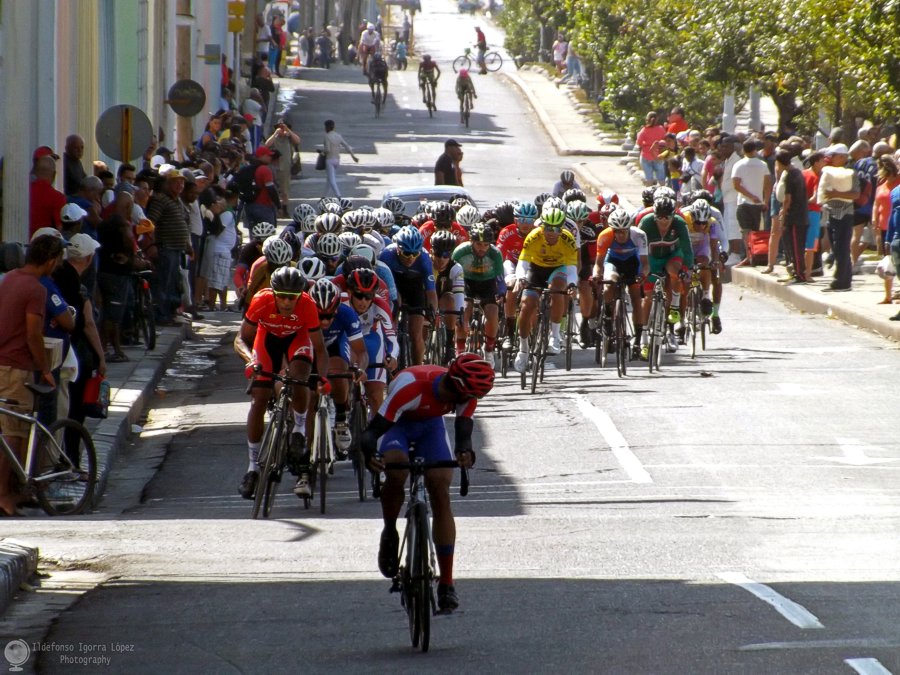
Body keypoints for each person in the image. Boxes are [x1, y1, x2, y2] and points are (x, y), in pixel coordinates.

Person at [361, 352, 495, 612]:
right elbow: (372, 433)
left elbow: (463, 434)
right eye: (465, 396)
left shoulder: (468, 393)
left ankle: (446, 583)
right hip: (396, 426)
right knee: (397, 471)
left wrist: (465, 454)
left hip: (430, 427)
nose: (468, 401)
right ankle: (390, 530)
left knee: (440, 487)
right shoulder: (411, 386)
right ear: (454, 385)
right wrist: (370, 456)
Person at [234, 266, 330, 501]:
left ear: (300, 296)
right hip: (266, 341)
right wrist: (250, 361)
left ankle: (297, 429)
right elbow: (241, 339)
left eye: (292, 298)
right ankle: (252, 468)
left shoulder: (307, 305)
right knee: (258, 399)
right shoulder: (261, 300)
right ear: (273, 293)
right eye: (283, 297)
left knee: (300, 377)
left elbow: (319, 348)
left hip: (297, 340)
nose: (287, 303)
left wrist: (323, 377)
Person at [0, 234, 65, 516]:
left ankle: (14, 490)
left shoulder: (10, 278)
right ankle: (4, 494)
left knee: (9, 429)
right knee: (13, 433)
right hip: (17, 367)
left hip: (3, 363)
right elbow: (33, 334)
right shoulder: (35, 289)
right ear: (51, 261)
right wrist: (45, 369)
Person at [305, 279, 368, 466]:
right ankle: (308, 453)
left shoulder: (347, 314)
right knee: (308, 399)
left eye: (329, 316)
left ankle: (341, 418)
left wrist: (360, 369)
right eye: (320, 316)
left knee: (339, 373)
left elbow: (361, 351)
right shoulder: (302, 313)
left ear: (337, 309)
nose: (324, 321)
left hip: (335, 347)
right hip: (309, 349)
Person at [512, 206, 579, 372]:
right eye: (548, 227)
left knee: (557, 289)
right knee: (527, 306)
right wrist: (520, 277)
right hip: (536, 269)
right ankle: (523, 348)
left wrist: (572, 284)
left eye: (556, 228)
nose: (551, 232)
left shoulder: (568, 239)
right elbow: (523, 262)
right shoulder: (534, 236)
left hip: (558, 269)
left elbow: (571, 268)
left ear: (561, 228)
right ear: (542, 226)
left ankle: (555, 336)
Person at [593, 207, 648, 359]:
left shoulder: (639, 235)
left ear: (629, 228)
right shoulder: (605, 236)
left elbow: (645, 263)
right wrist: (596, 275)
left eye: (624, 230)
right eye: (617, 231)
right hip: (613, 262)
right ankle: (609, 319)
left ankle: (637, 340)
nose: (621, 234)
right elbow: (598, 263)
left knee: (637, 297)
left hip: (632, 264)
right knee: (609, 284)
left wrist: (643, 275)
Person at [379, 225, 438, 365]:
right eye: (406, 253)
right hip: (394, 285)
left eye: (414, 253)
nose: (411, 258)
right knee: (390, 321)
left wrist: (432, 312)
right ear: (398, 248)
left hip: (415, 288)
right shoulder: (386, 255)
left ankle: (417, 367)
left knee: (415, 334)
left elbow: (430, 291)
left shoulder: (424, 258)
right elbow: (382, 286)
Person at [452, 223, 505, 367]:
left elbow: (500, 277)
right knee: (464, 308)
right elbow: (450, 272)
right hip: (466, 281)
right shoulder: (460, 252)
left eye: (486, 245)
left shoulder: (495, 253)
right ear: (471, 242)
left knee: (493, 312)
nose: (482, 248)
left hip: (487, 283)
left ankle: (488, 349)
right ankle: (460, 351)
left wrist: (501, 293)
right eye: (478, 244)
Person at [817, 143, 859, 292]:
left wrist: (836, 194)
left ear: (842, 157)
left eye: (833, 156)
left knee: (841, 248)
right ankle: (842, 279)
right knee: (836, 248)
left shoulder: (851, 173)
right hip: (831, 213)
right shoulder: (829, 172)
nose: (831, 159)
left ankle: (841, 281)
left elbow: (855, 194)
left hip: (844, 214)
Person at [732, 139, 772, 267]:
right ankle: (755, 256)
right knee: (757, 232)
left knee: (746, 232)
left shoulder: (738, 165)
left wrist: (750, 196)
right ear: (755, 150)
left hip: (744, 203)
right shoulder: (763, 165)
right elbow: (768, 185)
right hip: (758, 204)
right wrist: (765, 201)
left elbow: (736, 185)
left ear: (743, 150)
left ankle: (749, 257)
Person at [775, 150, 810, 284]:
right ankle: (796, 271)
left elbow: (788, 199)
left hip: (796, 217)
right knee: (793, 246)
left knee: (796, 248)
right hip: (800, 215)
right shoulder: (797, 172)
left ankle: (800, 274)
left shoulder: (790, 175)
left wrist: (783, 213)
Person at [265, 119, 301, 217]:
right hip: (273, 167)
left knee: (285, 191)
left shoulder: (288, 138)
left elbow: (297, 140)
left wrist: (288, 131)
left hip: (285, 168)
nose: (281, 130)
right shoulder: (275, 137)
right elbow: (267, 145)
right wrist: (275, 133)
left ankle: (284, 210)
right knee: (273, 189)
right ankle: (275, 209)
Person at [29, 155, 67, 236]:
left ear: (35, 172)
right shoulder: (58, 198)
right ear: (54, 174)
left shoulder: (25, 193)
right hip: (43, 244)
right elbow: (60, 228)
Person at [322, 119, 359, 198]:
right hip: (337, 160)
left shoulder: (327, 136)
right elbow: (346, 146)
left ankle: (338, 196)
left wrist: (321, 152)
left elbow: (327, 150)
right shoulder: (338, 136)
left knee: (332, 180)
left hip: (329, 160)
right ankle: (323, 197)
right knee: (329, 179)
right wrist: (353, 156)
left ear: (327, 127)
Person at [636, 112, 667, 186]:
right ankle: (663, 193)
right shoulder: (661, 129)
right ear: (657, 119)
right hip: (658, 155)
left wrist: (645, 144)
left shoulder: (644, 130)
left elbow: (638, 142)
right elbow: (664, 140)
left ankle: (649, 194)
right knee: (661, 178)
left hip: (646, 155)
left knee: (649, 178)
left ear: (647, 119)